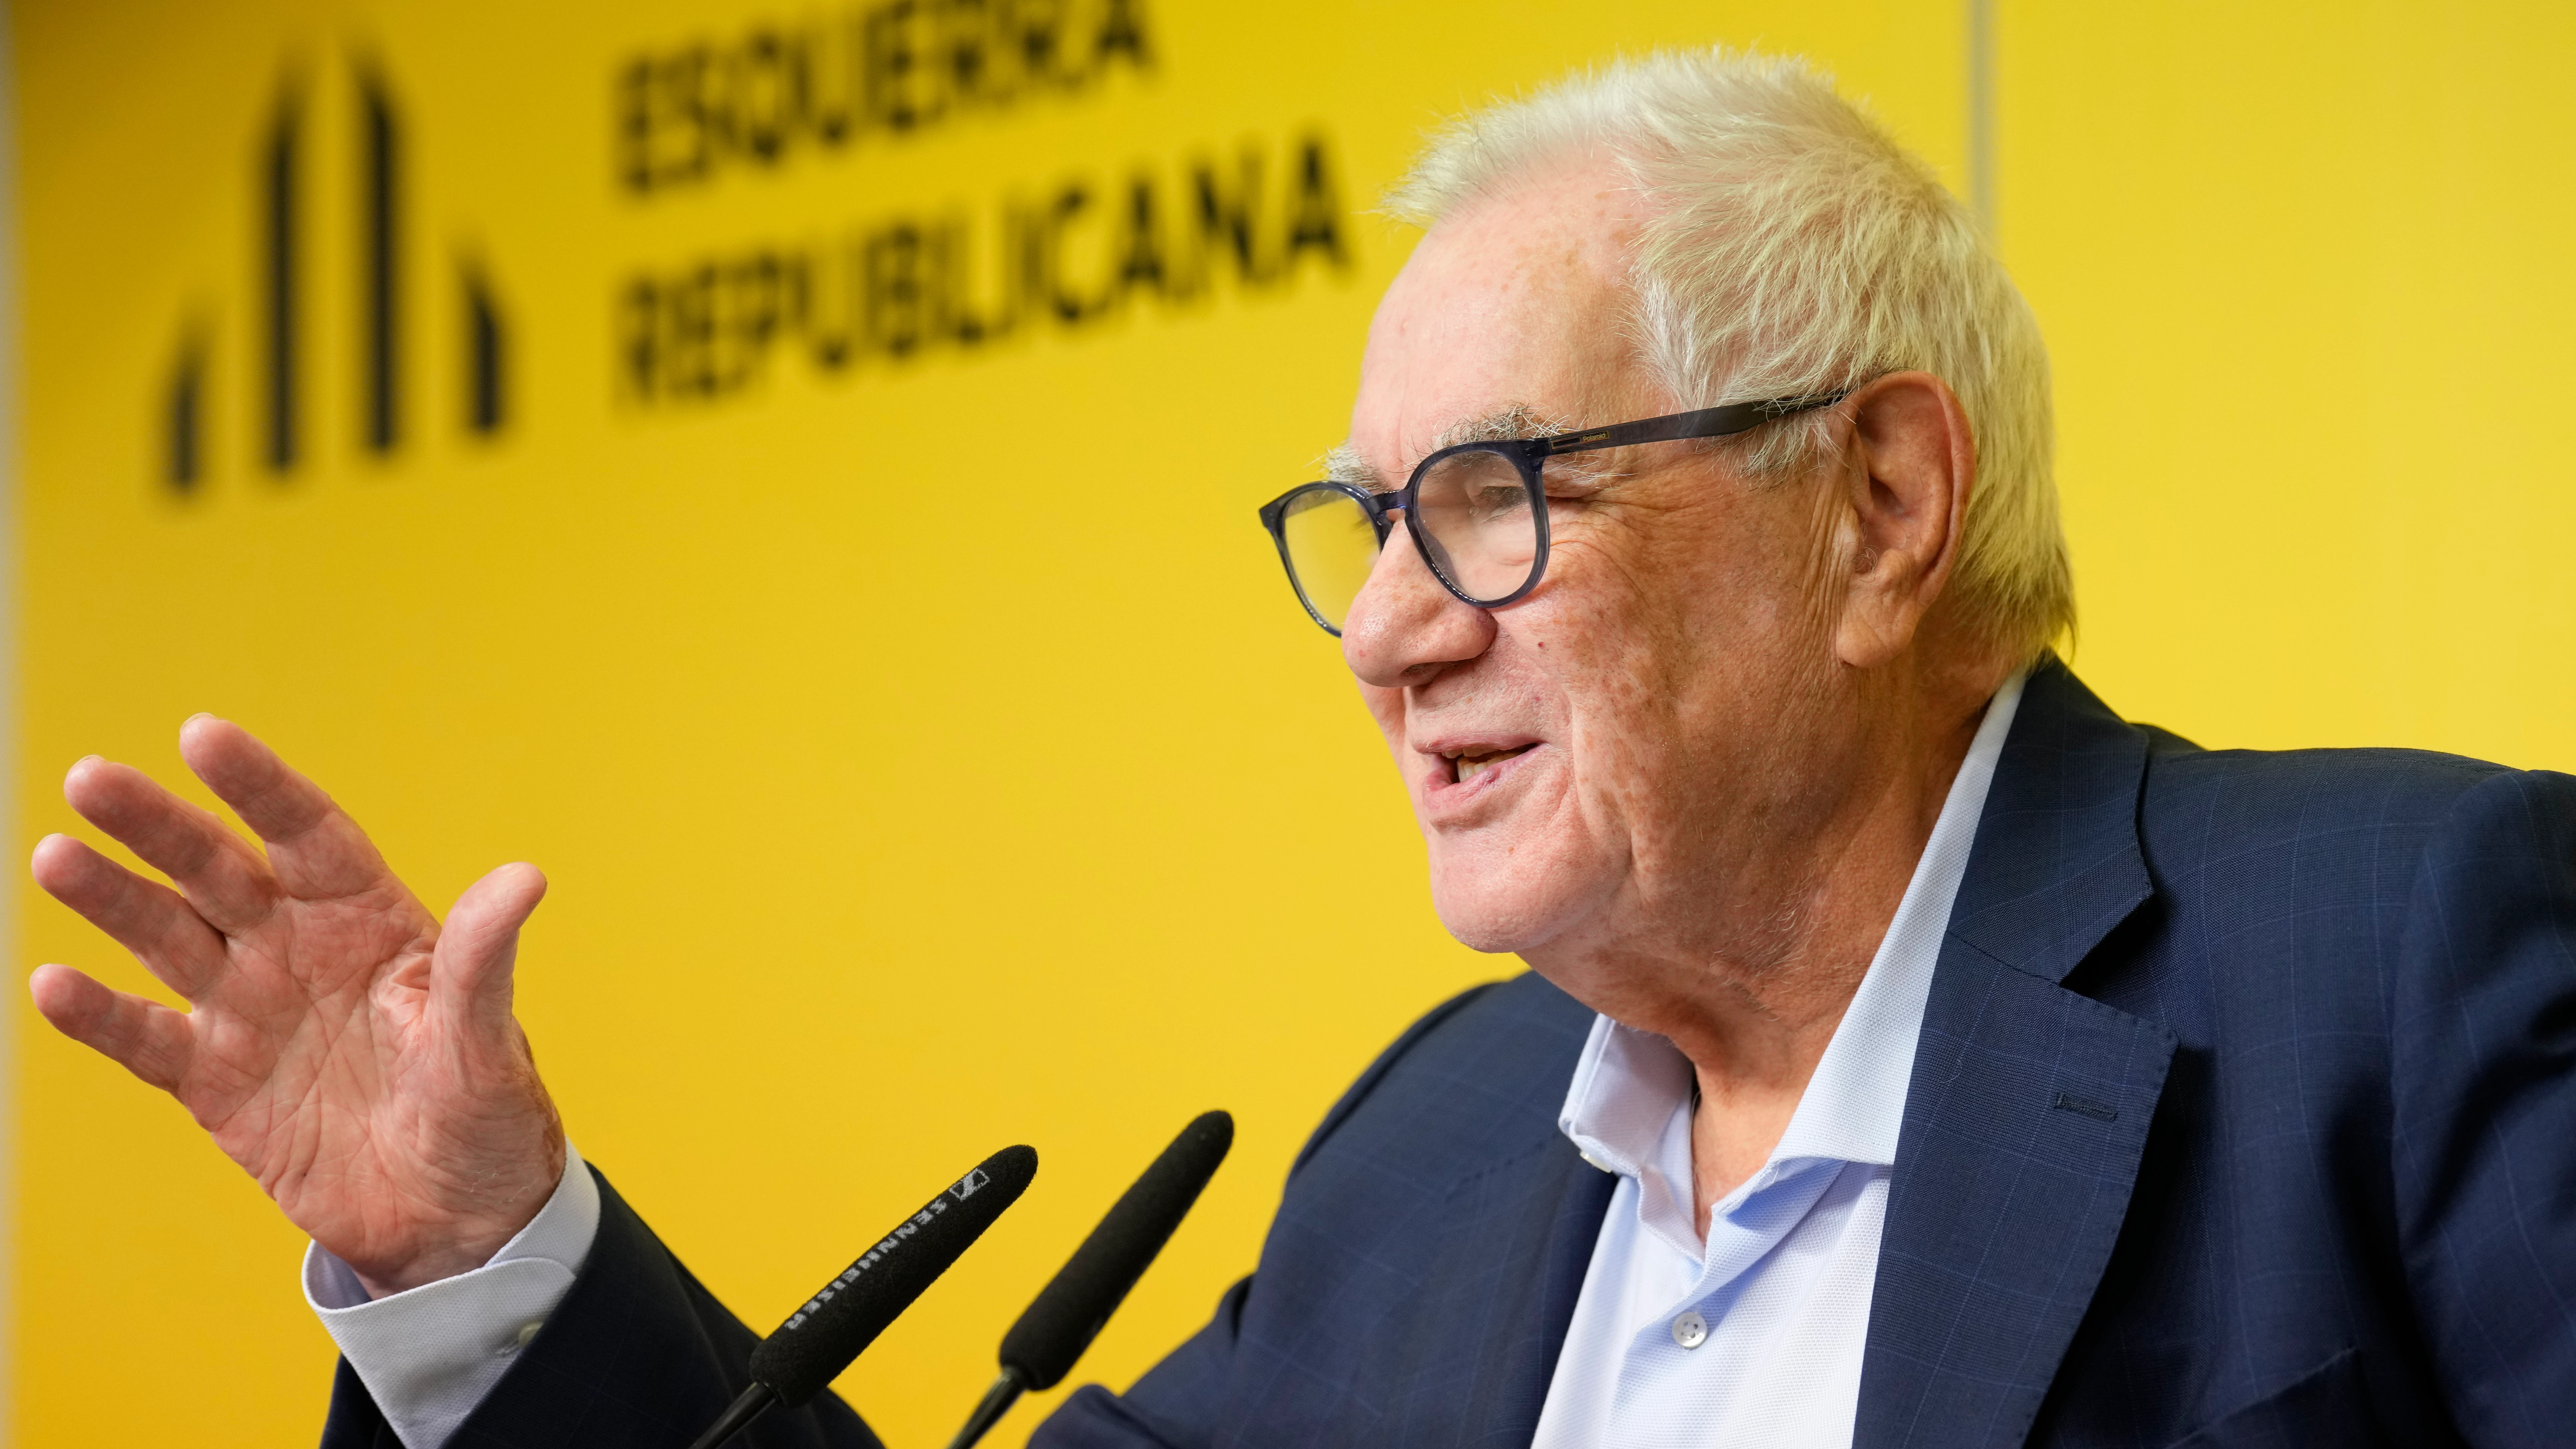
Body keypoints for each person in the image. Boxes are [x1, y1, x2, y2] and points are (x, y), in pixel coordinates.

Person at [28, 48, 2576, 1449]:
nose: (1378, 630)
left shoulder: (2414, 962)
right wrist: (483, 1260)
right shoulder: (1440, 1162)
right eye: (1361, 521)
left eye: (1485, 501)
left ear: (1880, 499)